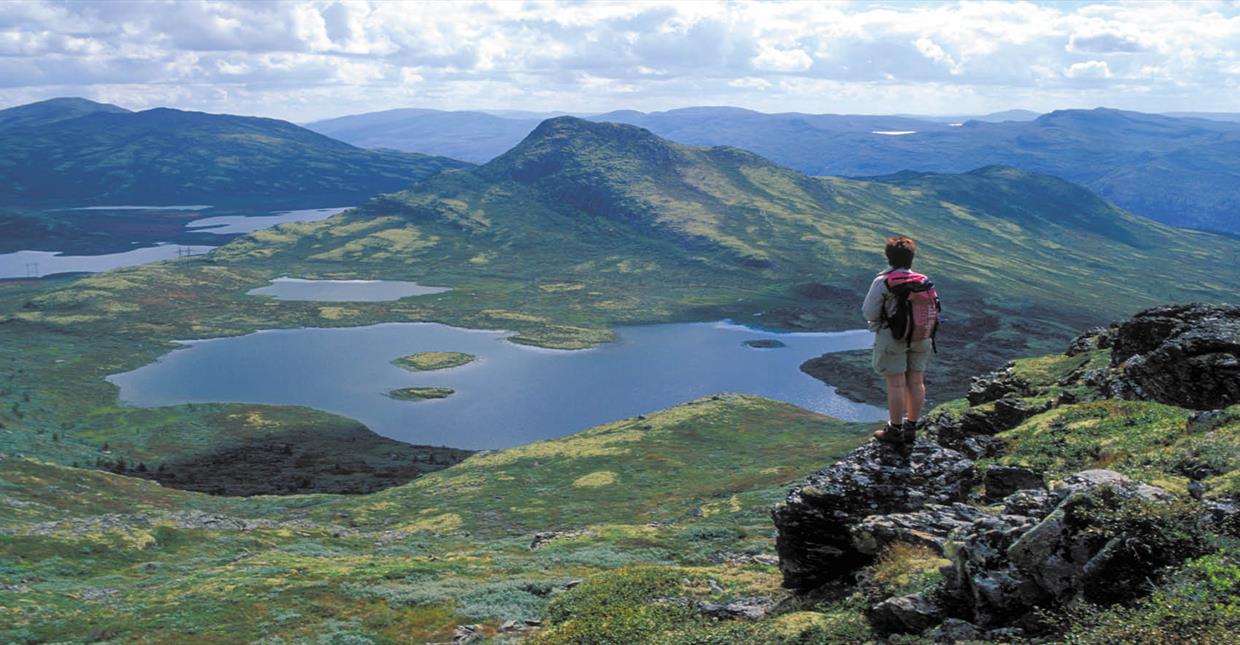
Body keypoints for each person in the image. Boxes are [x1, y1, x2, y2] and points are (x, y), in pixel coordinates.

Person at [862, 236, 938, 446]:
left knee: (896, 384)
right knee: (916, 381)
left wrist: (878, 327)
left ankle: (894, 430)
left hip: (893, 337)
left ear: (888, 257)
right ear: (911, 257)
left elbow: (869, 311)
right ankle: (911, 427)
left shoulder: (883, 281)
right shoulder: (923, 281)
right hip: (922, 335)